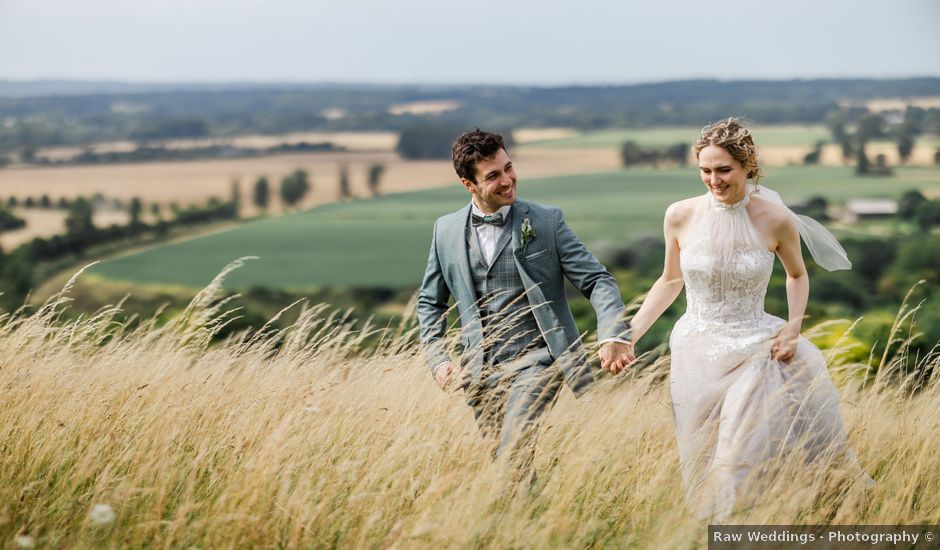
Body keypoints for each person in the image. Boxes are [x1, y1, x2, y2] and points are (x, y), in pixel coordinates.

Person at [624, 118, 868, 518]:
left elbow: (797, 275)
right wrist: (629, 335)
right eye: (705, 171)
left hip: (756, 351)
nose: (714, 180)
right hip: (695, 352)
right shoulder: (679, 215)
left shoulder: (775, 218)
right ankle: (711, 529)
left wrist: (792, 330)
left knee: (738, 452)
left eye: (724, 170)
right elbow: (670, 280)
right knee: (701, 453)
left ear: (747, 165)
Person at [417, 129, 635, 482]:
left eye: (508, 168)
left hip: (537, 361)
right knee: (508, 464)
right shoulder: (445, 230)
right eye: (493, 176)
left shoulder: (546, 222)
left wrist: (612, 333)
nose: (507, 180)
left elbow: (598, 280)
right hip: (478, 371)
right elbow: (430, 302)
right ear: (467, 184)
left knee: (513, 449)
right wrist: (439, 361)